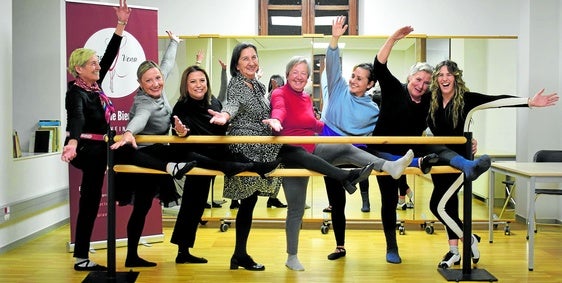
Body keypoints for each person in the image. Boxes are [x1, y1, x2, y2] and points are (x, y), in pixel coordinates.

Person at [208, 42, 376, 271]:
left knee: (248, 204)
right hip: (249, 149)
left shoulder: (256, 85)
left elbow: (283, 112)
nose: (251, 62)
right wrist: (226, 115)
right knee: (254, 196)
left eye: (254, 57)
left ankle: (239, 255)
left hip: (263, 148)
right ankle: (344, 176)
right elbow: (235, 104)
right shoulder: (238, 86)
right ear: (236, 65)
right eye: (245, 58)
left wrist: (320, 124)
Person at [268, 55, 414, 271]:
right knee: (296, 209)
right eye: (295, 72)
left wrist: (331, 127)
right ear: (287, 73)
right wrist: (276, 120)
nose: (299, 77)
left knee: (345, 147)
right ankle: (292, 256)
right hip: (292, 156)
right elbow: (279, 108)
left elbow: (314, 124)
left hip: (314, 149)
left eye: (303, 73)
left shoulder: (306, 98)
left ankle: (388, 166)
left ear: (308, 77)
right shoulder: (279, 93)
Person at [319, 17, 431, 264]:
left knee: (360, 152)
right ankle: (340, 245)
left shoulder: (373, 109)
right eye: (353, 75)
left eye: (360, 78)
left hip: (354, 153)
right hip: (329, 149)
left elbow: (393, 126)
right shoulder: (337, 88)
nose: (353, 80)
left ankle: (363, 175)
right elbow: (332, 65)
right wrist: (335, 38)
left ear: (370, 85)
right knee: (336, 202)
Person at [427, 59, 558, 268]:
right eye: (440, 75)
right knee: (449, 206)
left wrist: (529, 101)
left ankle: (468, 239)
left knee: (438, 206)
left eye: (448, 75)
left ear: (456, 78)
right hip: (439, 162)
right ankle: (454, 252)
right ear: (436, 79)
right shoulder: (431, 100)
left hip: (460, 164)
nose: (444, 79)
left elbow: (496, 100)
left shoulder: (467, 99)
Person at [61, 0, 130, 271]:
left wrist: (121, 24)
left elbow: (110, 54)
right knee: (89, 203)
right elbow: (76, 118)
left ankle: (124, 191)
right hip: (87, 150)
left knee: (132, 153)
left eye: (96, 63)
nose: (97, 66)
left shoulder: (94, 86)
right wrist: (74, 142)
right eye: (92, 64)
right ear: (79, 69)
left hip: (101, 147)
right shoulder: (76, 92)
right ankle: (81, 257)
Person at [265, 74, 288, 209]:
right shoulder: (267, 97)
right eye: (275, 83)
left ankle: (272, 197)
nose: (277, 86)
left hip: (280, 137)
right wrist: (273, 91)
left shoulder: (284, 96)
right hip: (268, 138)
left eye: (280, 84)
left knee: (280, 170)